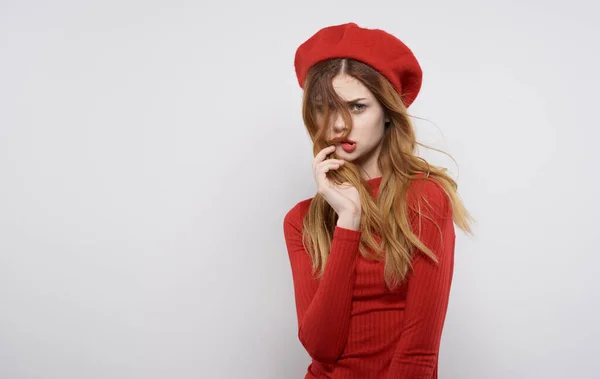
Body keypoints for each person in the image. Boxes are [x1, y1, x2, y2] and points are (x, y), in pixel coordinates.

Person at [282, 22, 474, 379]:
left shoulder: (425, 198)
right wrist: (348, 224)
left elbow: (419, 355)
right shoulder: (301, 220)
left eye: (356, 107)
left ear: (388, 111)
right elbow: (321, 347)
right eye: (325, 108)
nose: (338, 125)